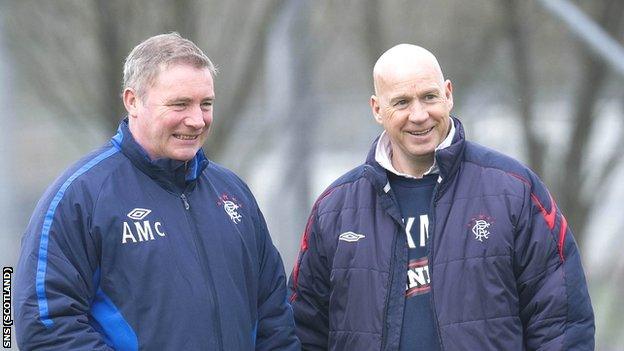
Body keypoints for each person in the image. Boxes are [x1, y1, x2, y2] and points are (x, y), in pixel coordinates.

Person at [288, 44, 594, 350]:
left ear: (448, 94)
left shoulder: (514, 190)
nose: (419, 115)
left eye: (429, 97)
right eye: (402, 102)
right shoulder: (334, 210)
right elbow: (303, 331)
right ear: (377, 109)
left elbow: (562, 323)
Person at [14, 33, 299, 350]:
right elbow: (43, 326)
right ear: (133, 101)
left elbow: (275, 318)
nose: (196, 120)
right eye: (179, 104)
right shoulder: (80, 197)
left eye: (206, 104)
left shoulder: (233, 194)